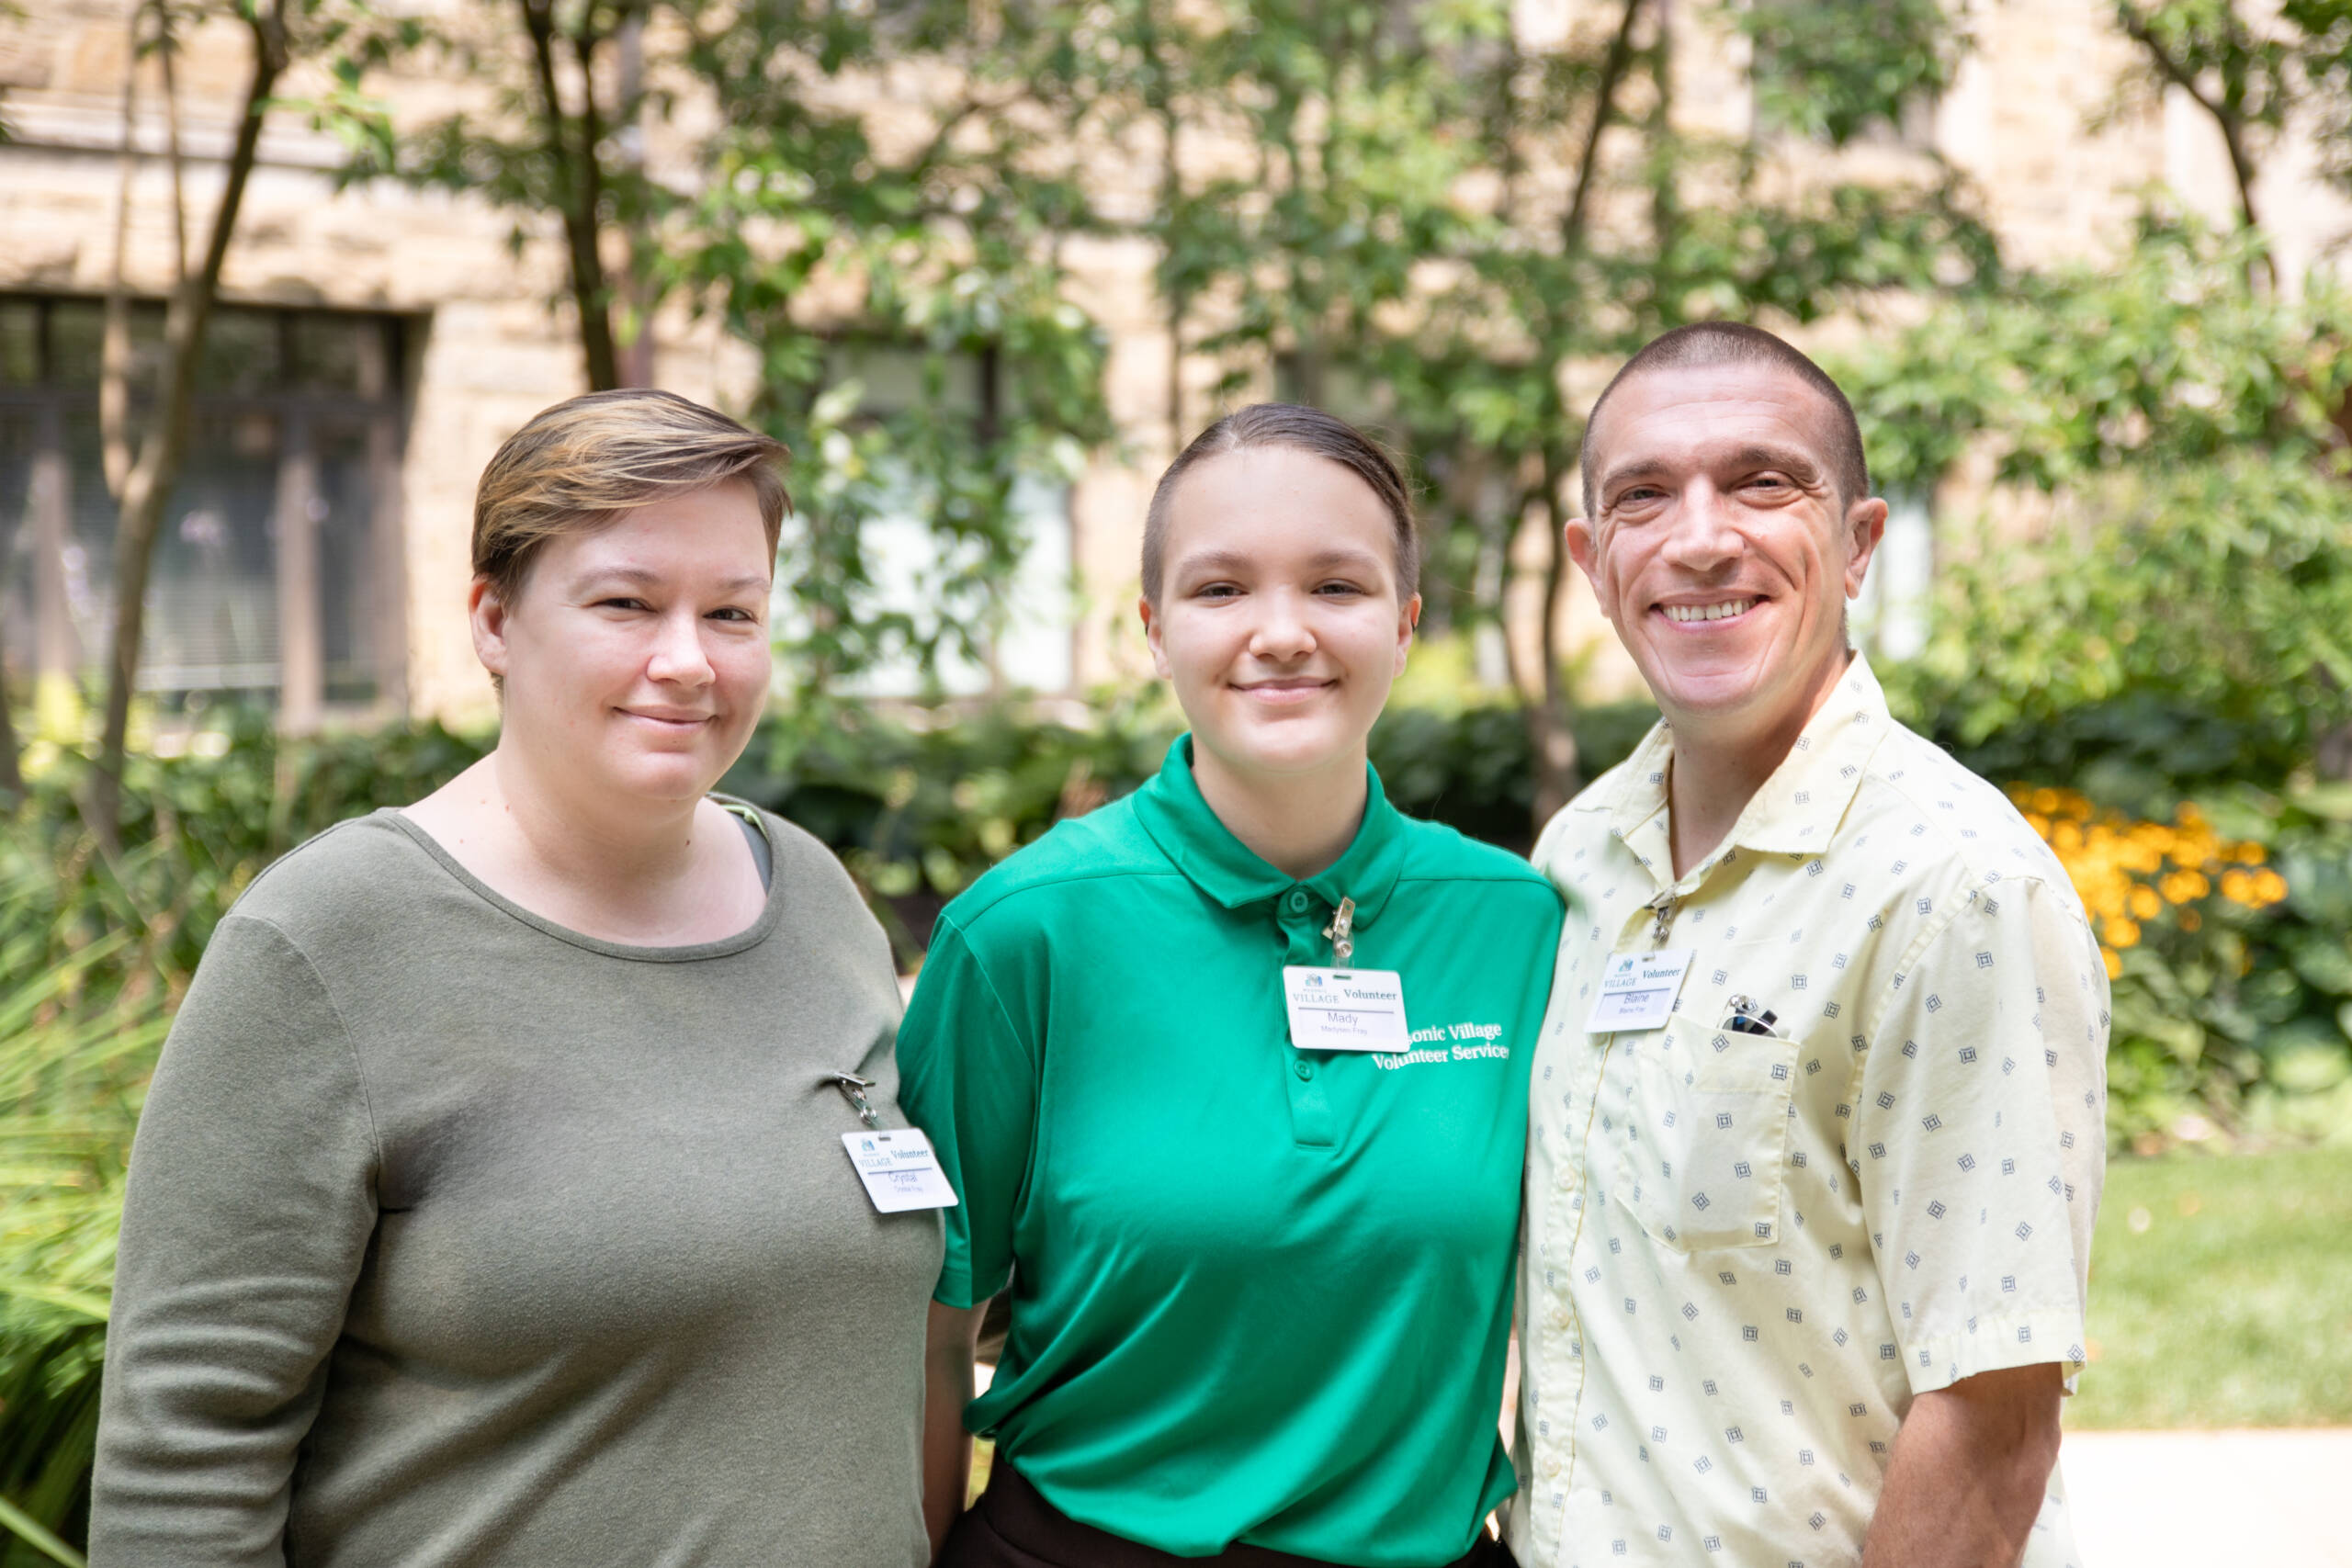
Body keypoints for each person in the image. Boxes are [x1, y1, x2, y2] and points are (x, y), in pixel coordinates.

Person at [92, 389, 944, 1567]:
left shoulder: (814, 900)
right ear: (494, 619)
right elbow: (183, 1462)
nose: (687, 660)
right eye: (626, 604)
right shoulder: (326, 945)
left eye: (733, 612)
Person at [899, 404, 1562, 1568]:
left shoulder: (1518, 925)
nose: (1281, 633)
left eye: (1335, 587)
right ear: (1153, 631)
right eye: (1220, 591)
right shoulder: (1019, 936)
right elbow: (930, 1331)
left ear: (1405, 624)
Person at [1509, 323, 2108, 1568]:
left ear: (1860, 543)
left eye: (1762, 480)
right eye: (1643, 495)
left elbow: (1993, 1414)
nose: (1701, 534)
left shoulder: (1954, 885)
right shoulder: (1579, 855)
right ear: (1592, 558)